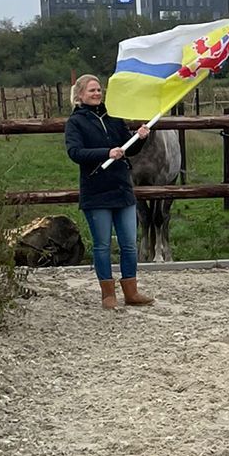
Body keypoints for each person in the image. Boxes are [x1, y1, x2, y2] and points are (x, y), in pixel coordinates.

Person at [64, 73, 155, 311]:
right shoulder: (76, 123)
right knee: (102, 245)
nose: (97, 94)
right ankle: (108, 294)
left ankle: (131, 291)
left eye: (98, 90)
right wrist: (106, 153)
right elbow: (75, 153)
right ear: (80, 94)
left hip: (121, 187)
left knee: (129, 244)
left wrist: (140, 138)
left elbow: (129, 148)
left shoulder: (113, 117)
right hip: (96, 190)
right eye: (92, 90)